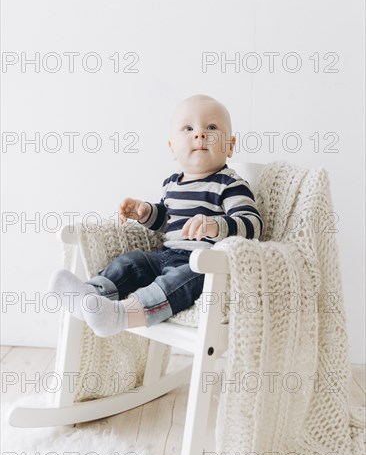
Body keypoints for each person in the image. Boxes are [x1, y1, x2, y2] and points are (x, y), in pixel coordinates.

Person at [48, 94, 263, 337]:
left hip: (202, 264)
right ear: (172, 147)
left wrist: (215, 225)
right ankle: (93, 295)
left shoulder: (229, 183)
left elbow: (252, 223)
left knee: (179, 278)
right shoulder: (172, 184)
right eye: (188, 128)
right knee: (133, 261)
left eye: (212, 127)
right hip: (165, 256)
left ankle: (120, 315)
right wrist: (145, 212)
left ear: (230, 145)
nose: (200, 134)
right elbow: (165, 220)